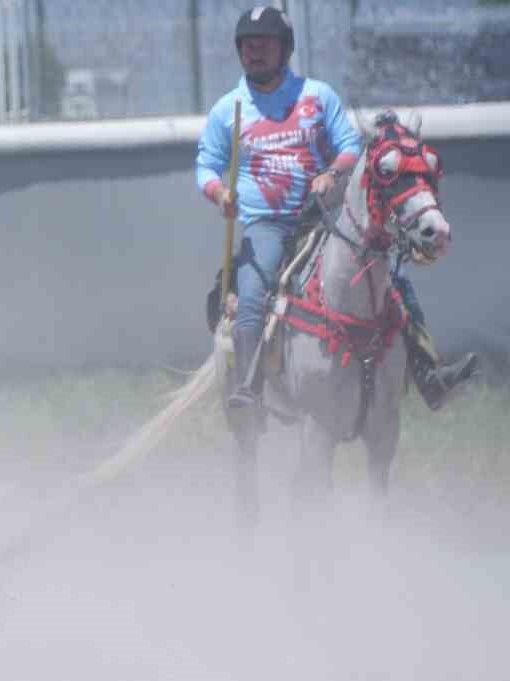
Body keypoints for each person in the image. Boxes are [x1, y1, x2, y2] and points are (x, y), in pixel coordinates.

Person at [196, 5, 475, 410]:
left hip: (326, 216)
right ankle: (247, 386)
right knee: (253, 294)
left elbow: (349, 147)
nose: (254, 53)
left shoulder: (317, 96)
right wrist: (219, 193)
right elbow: (206, 164)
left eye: (264, 45)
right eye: (248, 46)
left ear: (285, 49)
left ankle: (429, 372)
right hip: (268, 226)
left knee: (394, 283)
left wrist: (332, 171)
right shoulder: (229, 108)